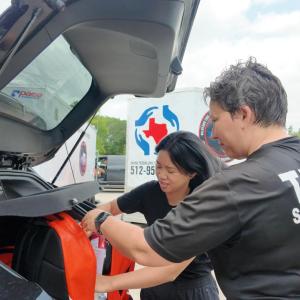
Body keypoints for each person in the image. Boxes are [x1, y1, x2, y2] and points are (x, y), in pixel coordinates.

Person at [82, 57, 300, 299]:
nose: (214, 133)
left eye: (215, 120)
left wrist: (101, 220)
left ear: (243, 114)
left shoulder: (237, 185)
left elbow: (147, 250)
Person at [92, 131, 221, 299]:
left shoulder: (202, 204)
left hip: (192, 291)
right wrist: (90, 219)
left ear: (192, 173)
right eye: (159, 166)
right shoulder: (151, 191)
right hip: (153, 288)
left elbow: (169, 271)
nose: (162, 175)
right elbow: (110, 206)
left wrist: (108, 283)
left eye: (170, 170)